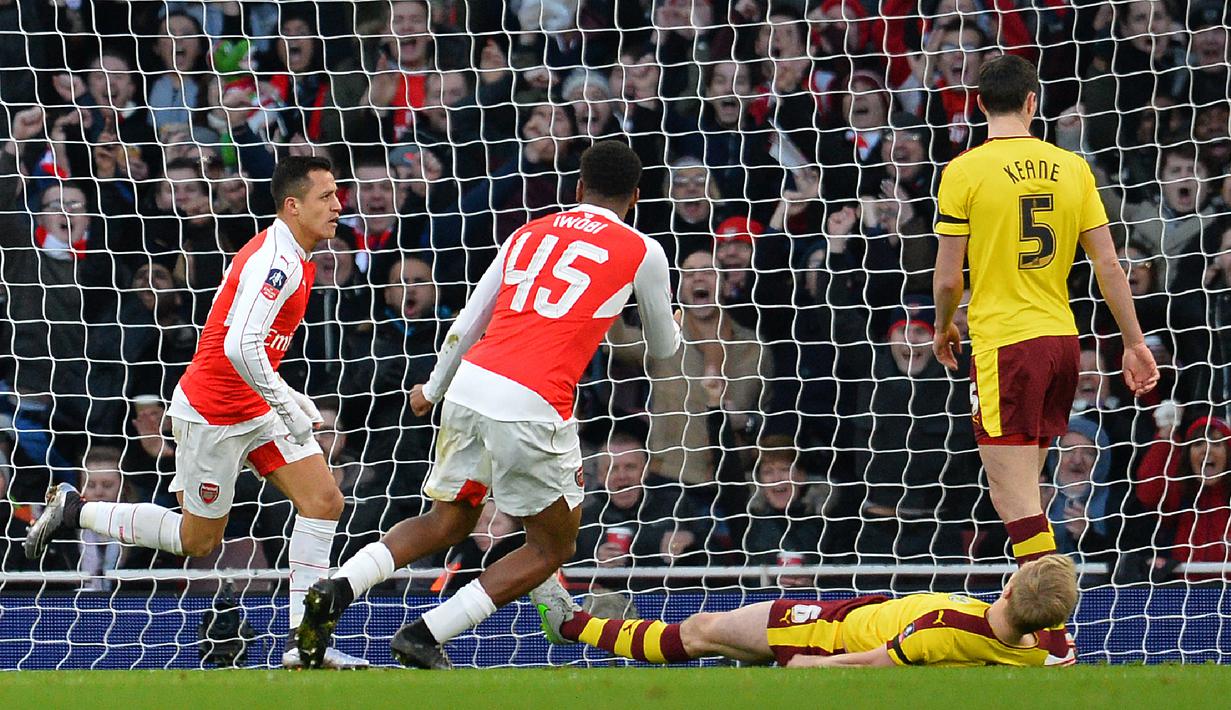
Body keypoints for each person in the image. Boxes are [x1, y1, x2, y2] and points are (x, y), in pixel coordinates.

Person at [295, 140, 682, 669]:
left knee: (447, 522)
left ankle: (338, 586)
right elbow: (663, 348)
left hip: (471, 386)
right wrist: (673, 324)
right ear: (635, 198)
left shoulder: (527, 232)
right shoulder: (643, 249)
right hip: (533, 403)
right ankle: (429, 632)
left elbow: (467, 322)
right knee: (551, 547)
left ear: (576, 191)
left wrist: (432, 390)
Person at [24, 156, 366, 669]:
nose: (338, 206)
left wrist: (286, 398)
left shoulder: (293, 253)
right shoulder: (279, 262)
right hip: (214, 413)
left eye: (337, 195)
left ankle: (307, 643)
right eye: (326, 197)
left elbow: (253, 350)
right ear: (293, 205)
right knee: (197, 539)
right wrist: (289, 407)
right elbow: (241, 348)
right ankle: (77, 511)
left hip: (255, 405)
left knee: (323, 502)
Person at [931, 55, 1159, 571]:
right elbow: (1107, 262)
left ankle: (1054, 633)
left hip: (1006, 346)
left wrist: (944, 327)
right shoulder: (1072, 168)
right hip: (1062, 343)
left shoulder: (964, 170)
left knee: (1013, 502)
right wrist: (1134, 341)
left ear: (980, 103)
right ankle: (1026, 613)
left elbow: (948, 278)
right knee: (1028, 494)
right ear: (1033, 102)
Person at [531, 554, 1078, 667]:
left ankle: (572, 624)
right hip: (849, 614)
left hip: (826, 632)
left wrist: (810, 667)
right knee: (718, 642)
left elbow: (878, 662)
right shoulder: (1034, 651)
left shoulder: (944, 631)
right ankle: (592, 623)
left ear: (1008, 590)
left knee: (698, 631)